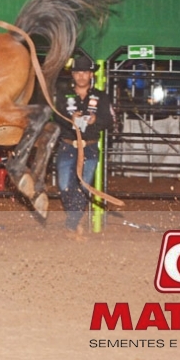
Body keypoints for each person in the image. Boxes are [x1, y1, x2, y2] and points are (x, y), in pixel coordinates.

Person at [54, 56, 113, 234]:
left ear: (90, 74)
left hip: (89, 145)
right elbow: (55, 117)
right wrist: (69, 119)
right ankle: (74, 221)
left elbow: (110, 120)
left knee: (83, 185)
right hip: (67, 145)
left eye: (85, 72)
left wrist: (95, 121)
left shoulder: (101, 97)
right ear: (73, 75)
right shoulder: (64, 96)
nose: (81, 76)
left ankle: (72, 224)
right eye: (78, 72)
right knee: (64, 185)